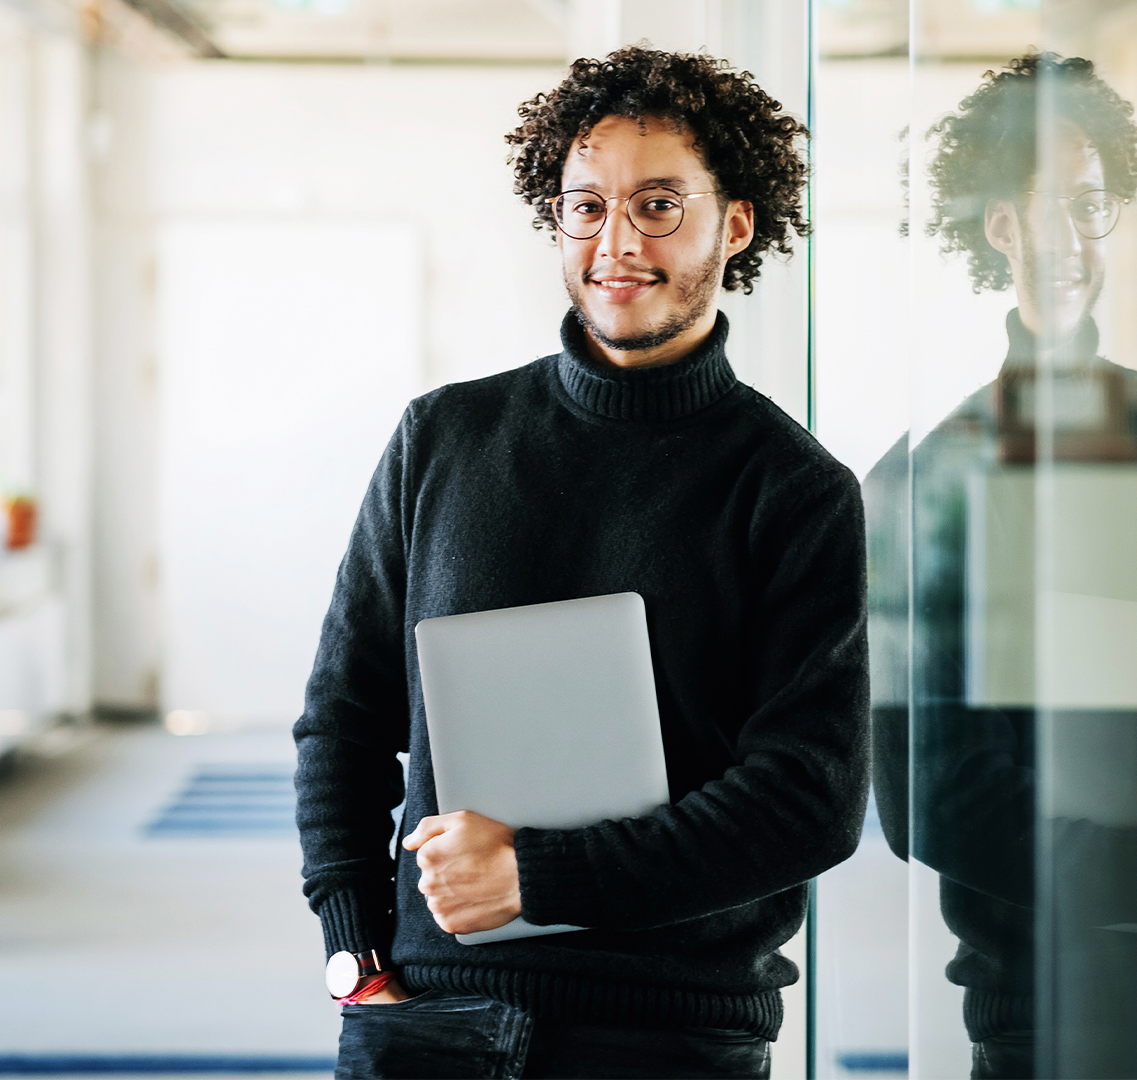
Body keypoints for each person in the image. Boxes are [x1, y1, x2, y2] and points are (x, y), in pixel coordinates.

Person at [293, 46, 869, 1080]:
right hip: (431, 1011)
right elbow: (344, 710)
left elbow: (806, 799)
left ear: (734, 224)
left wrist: (539, 877)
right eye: (586, 206)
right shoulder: (443, 439)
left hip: (672, 1027)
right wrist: (350, 942)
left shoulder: (795, 489)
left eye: (658, 205)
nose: (616, 242)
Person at [866, 52, 1137, 1080]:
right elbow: (929, 793)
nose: (1069, 239)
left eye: (1091, 203)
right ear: (998, 226)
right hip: (1042, 1007)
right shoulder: (924, 480)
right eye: (1040, 205)